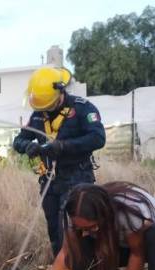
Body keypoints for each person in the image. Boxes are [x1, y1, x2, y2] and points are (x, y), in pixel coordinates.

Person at [13, 67, 105, 257]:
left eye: (49, 105)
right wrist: (27, 146)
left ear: (60, 92)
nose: (45, 110)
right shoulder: (39, 113)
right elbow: (19, 140)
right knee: (54, 230)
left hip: (77, 178)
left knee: (71, 229)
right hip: (49, 181)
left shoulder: (82, 108)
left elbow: (98, 138)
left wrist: (63, 146)